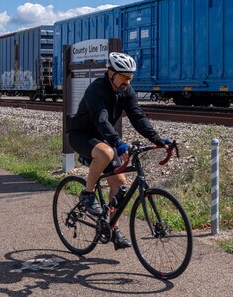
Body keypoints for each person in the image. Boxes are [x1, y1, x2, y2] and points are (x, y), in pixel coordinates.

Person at [67, 52, 172, 250]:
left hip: (103, 138)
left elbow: (138, 117)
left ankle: (112, 228)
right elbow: (101, 119)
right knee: (106, 153)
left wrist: (157, 139)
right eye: (123, 77)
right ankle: (87, 194)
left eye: (130, 77)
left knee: (120, 186)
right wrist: (117, 141)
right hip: (80, 135)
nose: (127, 81)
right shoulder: (96, 90)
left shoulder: (126, 91)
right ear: (110, 73)